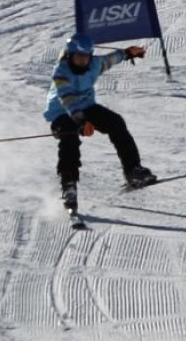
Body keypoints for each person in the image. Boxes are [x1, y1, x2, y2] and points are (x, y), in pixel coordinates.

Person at [44, 33, 154, 212]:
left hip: (87, 106)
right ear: (71, 55)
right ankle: (69, 186)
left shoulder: (94, 64)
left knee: (116, 122)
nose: (83, 61)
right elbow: (67, 99)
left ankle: (133, 170)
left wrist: (128, 53)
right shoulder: (61, 72)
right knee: (69, 137)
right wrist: (80, 122)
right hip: (61, 112)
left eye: (86, 57)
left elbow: (111, 59)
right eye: (79, 57)